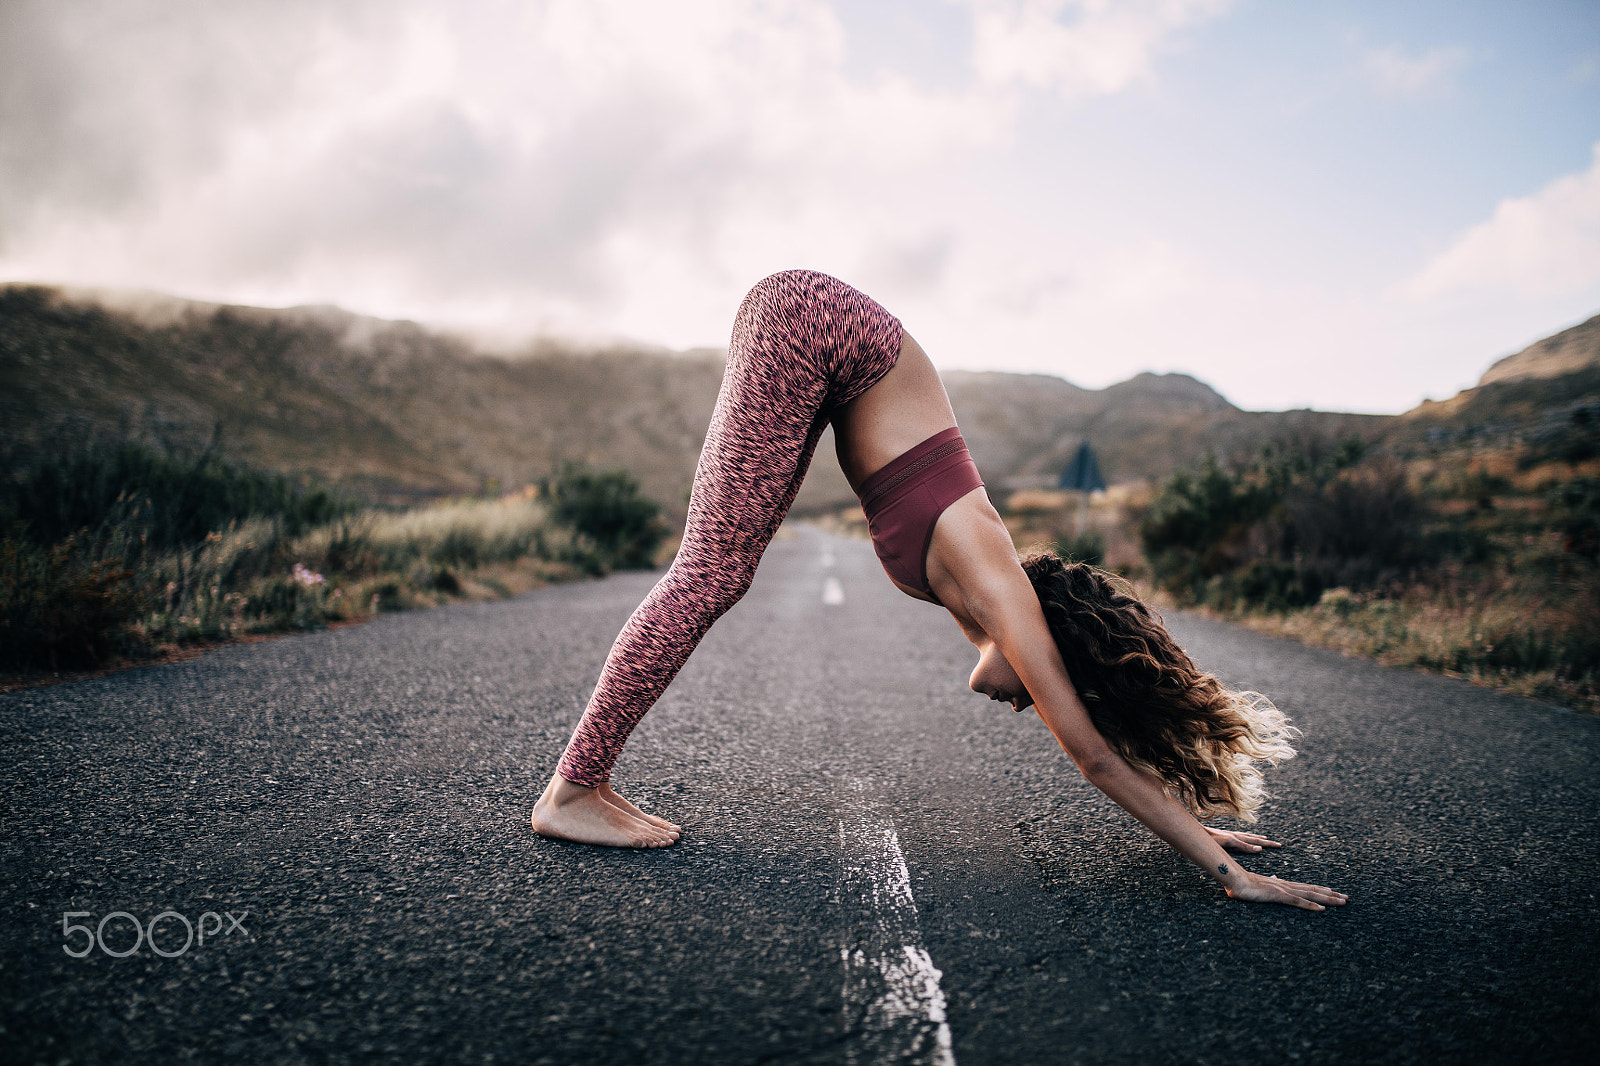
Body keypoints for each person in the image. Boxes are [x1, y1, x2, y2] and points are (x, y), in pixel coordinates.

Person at [532, 270, 1347, 912]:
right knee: (712, 571)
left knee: (721, 569)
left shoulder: (989, 599)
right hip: (816, 323)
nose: (1028, 702)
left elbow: (1103, 733)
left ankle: (588, 781)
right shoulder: (1002, 593)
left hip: (819, 332)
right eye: (1041, 688)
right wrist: (1224, 871)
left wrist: (1191, 823)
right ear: (1049, 648)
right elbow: (1091, 752)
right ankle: (572, 789)